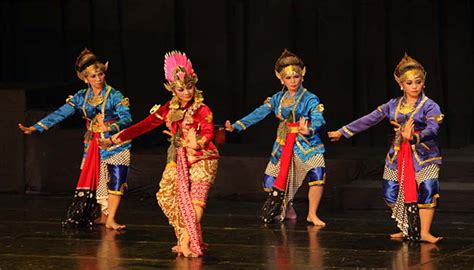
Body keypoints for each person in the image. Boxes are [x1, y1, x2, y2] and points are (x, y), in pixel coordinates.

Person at [99, 51, 219, 257]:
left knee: (196, 200)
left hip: (204, 158)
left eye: (190, 87)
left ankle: (185, 242)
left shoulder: (202, 109)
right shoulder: (168, 109)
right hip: (178, 158)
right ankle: (185, 235)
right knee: (166, 196)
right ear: (173, 90)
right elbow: (143, 126)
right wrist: (113, 139)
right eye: (181, 89)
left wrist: (196, 142)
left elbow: (208, 131)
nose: (187, 92)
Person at [328, 53, 443, 243]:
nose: (414, 86)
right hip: (397, 155)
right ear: (401, 85)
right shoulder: (393, 105)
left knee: (428, 189)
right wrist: (343, 131)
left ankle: (424, 232)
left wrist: (415, 135)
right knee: (391, 191)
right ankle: (407, 227)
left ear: (424, 83)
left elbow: (433, 128)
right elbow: (370, 118)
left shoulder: (430, 106)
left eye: (418, 81)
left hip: (424, 154)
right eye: (409, 83)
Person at [18, 48, 132, 230]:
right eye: (93, 76)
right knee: (99, 178)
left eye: (100, 74)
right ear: (85, 78)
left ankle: (111, 218)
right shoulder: (81, 97)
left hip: (115, 142)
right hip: (94, 142)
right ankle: (104, 217)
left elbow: (127, 118)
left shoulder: (114, 95)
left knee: (115, 178)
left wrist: (110, 127)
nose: (98, 79)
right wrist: (36, 127)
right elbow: (60, 113)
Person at [225, 49, 327, 226]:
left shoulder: (310, 98)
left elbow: (319, 118)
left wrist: (309, 128)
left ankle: (312, 213)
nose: (293, 81)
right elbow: (258, 113)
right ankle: (288, 206)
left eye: (296, 76)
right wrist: (236, 125)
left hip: (307, 143)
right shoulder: (277, 98)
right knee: (272, 179)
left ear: (302, 76)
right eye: (288, 78)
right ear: (281, 79)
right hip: (284, 143)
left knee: (317, 172)